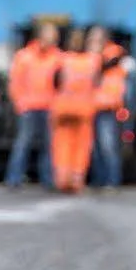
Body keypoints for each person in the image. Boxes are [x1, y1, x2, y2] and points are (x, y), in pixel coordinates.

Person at [5, 20, 62, 190]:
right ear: (41, 35)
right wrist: (19, 103)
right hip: (28, 107)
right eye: (51, 33)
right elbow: (15, 82)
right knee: (23, 143)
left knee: (49, 145)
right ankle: (14, 178)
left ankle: (48, 179)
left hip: (50, 107)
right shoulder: (24, 56)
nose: (54, 37)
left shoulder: (58, 57)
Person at [50, 29, 100, 193]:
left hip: (63, 109)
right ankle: (76, 180)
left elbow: (54, 83)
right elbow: (97, 83)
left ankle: (62, 179)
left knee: (62, 144)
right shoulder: (93, 61)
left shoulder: (63, 60)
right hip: (83, 110)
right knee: (81, 147)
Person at [89, 26, 134, 192]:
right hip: (91, 107)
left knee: (108, 146)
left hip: (108, 107)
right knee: (95, 148)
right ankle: (98, 179)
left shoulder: (114, 53)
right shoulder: (89, 55)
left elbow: (110, 67)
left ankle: (112, 179)